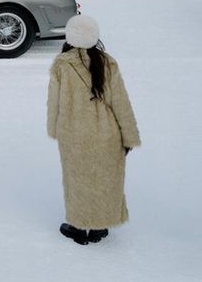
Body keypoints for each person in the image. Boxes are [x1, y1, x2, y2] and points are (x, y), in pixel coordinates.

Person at [47, 15, 141, 245]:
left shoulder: (62, 65)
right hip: (107, 133)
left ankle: (79, 227)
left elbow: (54, 103)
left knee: (77, 179)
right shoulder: (107, 63)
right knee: (106, 179)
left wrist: (54, 130)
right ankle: (100, 226)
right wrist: (129, 136)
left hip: (74, 134)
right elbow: (121, 102)